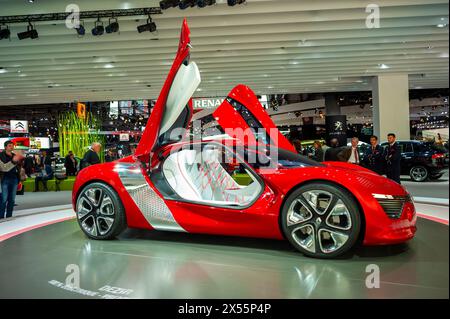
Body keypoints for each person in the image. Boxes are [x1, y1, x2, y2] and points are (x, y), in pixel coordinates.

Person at [0, 141, 24, 219]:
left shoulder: (15, 156)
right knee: (4, 199)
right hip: (5, 179)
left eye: (12, 145)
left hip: (14, 179)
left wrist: (19, 179)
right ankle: (1, 217)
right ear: (5, 147)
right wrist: (14, 161)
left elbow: (18, 168)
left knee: (12, 200)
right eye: (9, 145)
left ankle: (9, 216)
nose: (11, 147)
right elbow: (4, 168)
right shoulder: (1, 156)